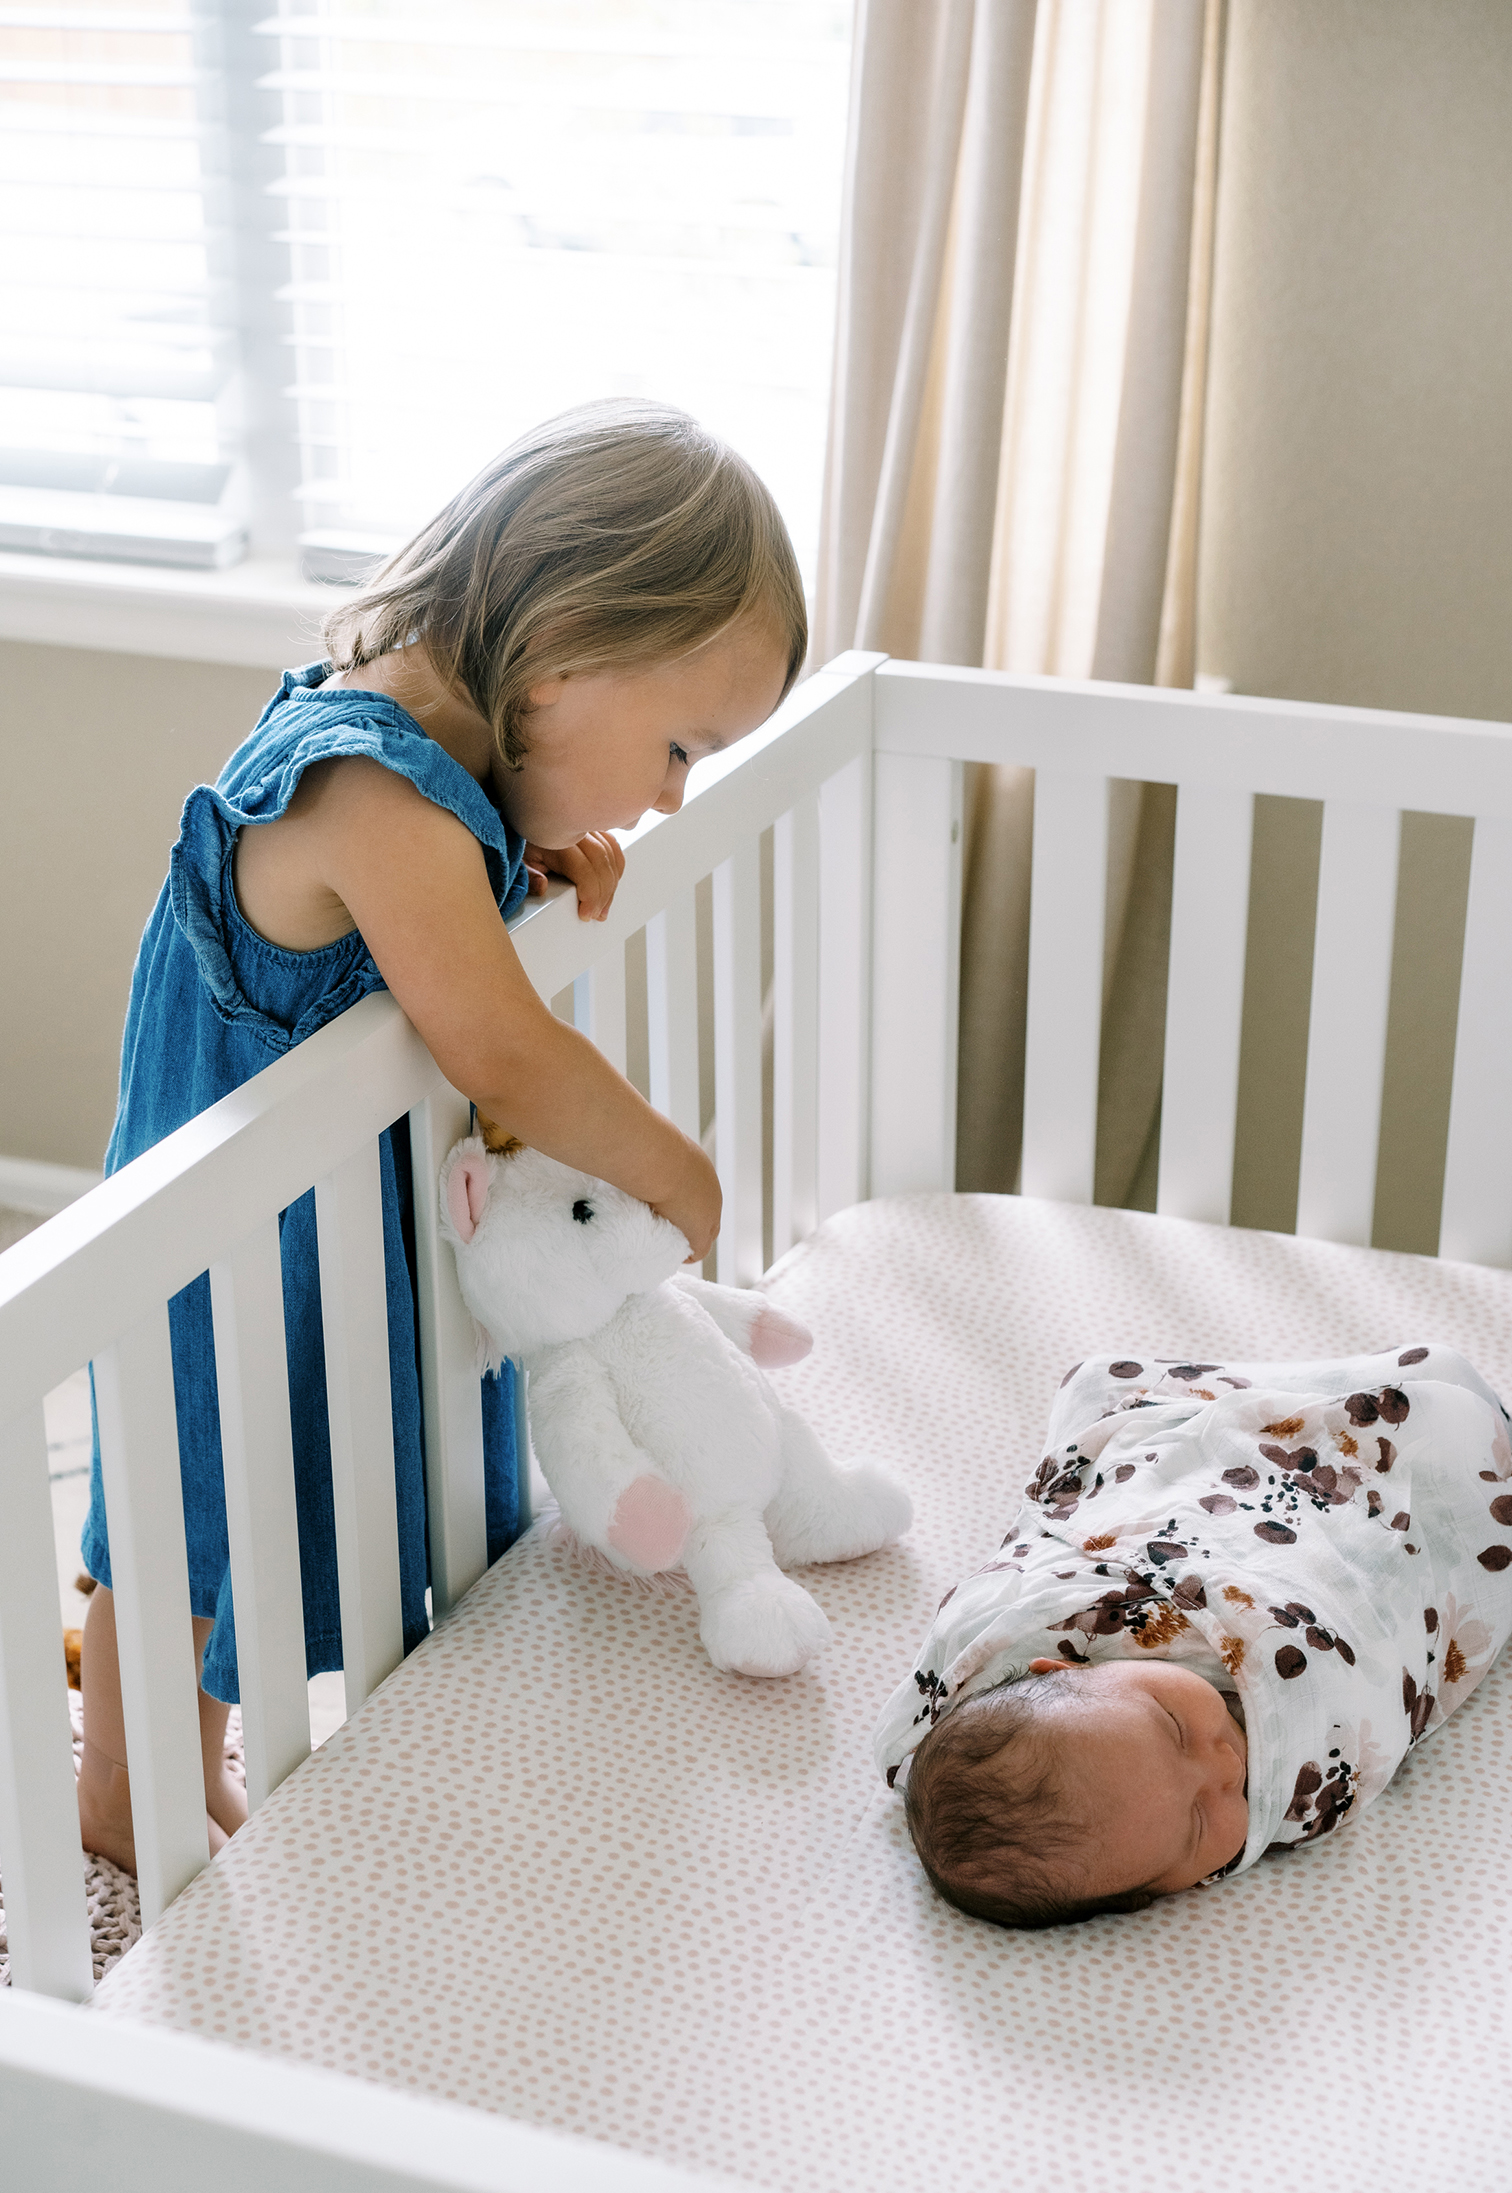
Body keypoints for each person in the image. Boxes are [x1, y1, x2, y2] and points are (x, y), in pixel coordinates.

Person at [78, 400, 805, 1873]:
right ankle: (120, 1796)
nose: (672, 796)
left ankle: (171, 1734)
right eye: (675, 746)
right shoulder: (367, 787)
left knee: (298, 1482)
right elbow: (498, 1047)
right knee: (193, 1517)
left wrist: (519, 846)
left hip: (336, 1225)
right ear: (559, 659)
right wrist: (669, 1163)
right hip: (221, 1238)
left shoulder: (443, 777)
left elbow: (430, 919)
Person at [877, 1344, 1512, 1929]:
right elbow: (1359, 1705)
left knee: (1103, 1392)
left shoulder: (998, 1650)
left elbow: (1016, 1573)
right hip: (1333, 1583)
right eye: (1201, 1822)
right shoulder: (1293, 1784)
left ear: (1059, 1670)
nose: (1223, 1763)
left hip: (1203, 1515)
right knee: (1449, 1478)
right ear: (1148, 1894)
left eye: (1173, 1727)